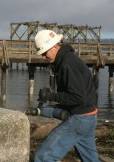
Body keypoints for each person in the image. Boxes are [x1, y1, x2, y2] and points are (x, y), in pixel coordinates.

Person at [32, 30, 99, 161]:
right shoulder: (70, 59)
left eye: (45, 52)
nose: (44, 57)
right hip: (90, 116)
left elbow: (77, 97)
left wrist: (50, 97)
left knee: (43, 157)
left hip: (79, 119)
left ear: (55, 46)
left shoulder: (67, 64)